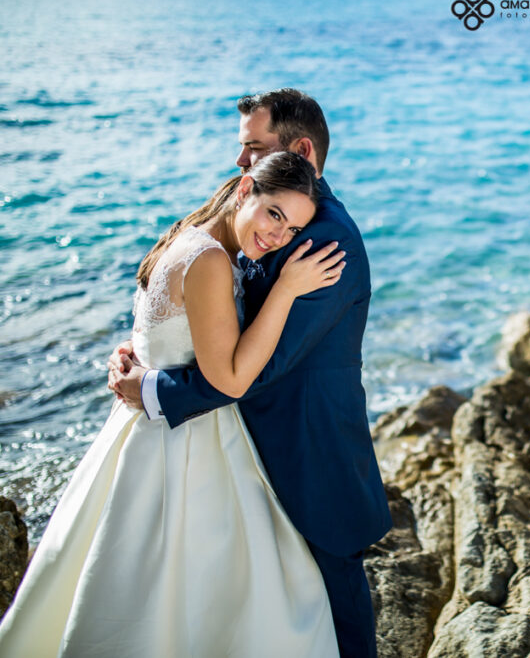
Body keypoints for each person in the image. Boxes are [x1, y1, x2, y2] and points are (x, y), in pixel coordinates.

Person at [0, 151, 345, 656]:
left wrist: (133, 356)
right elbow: (230, 379)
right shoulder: (209, 260)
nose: (278, 237)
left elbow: (161, 331)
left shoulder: (190, 233)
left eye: (292, 230)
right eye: (275, 214)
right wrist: (287, 290)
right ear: (245, 190)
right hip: (184, 445)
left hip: (145, 429)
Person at [109, 88, 393, 657]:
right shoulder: (263, 203)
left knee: (334, 612)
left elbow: (263, 366)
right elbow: (210, 301)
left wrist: (154, 387)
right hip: (240, 448)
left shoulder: (326, 239)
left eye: (254, 147)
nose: (240, 159)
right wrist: (151, 343)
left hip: (307, 451)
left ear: (302, 151)